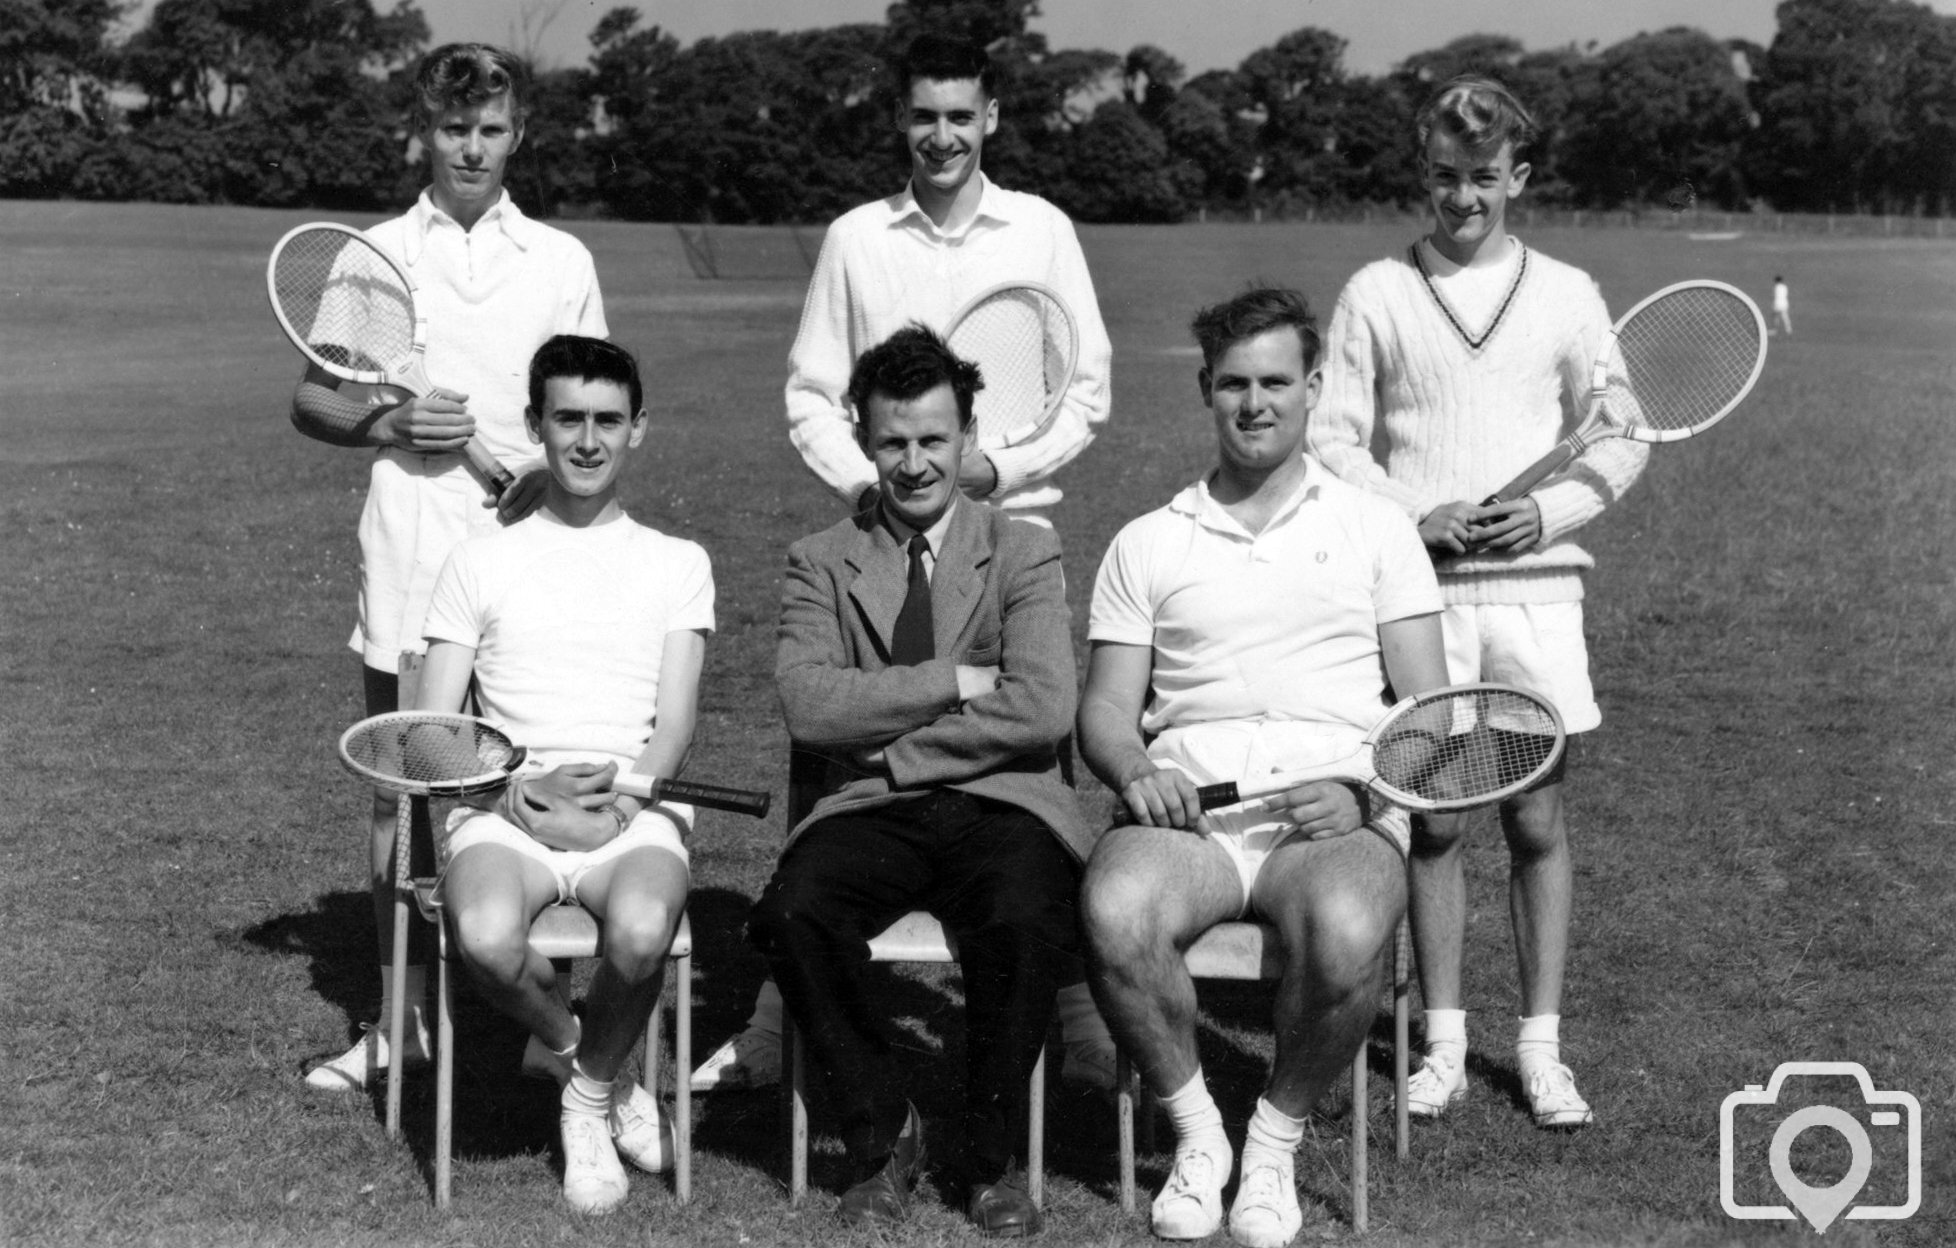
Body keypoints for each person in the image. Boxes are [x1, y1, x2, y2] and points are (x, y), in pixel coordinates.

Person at [696, 30, 1116, 1096]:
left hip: (1005, 528)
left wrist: (992, 474)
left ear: (991, 119)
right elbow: (809, 392)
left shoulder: (1045, 229)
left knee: (1025, 761)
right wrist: (872, 485)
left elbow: (1089, 388)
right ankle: (778, 1021)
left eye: (960, 115)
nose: (943, 134)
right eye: (925, 115)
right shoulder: (854, 237)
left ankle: (1074, 1011)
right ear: (903, 119)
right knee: (837, 749)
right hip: (878, 528)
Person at [1308, 75, 1648, 1131]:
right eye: (1448, 178)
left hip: (1538, 600)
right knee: (1437, 828)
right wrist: (1422, 513)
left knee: (1538, 819)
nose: (1465, 199)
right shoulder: (1376, 291)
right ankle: (1445, 1044)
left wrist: (1542, 516)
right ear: (1425, 175)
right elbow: (1330, 441)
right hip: (1423, 602)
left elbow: (1622, 434)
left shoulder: (1569, 294)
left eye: (1487, 179)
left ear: (1520, 178)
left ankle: (1541, 1051)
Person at [1079, 287, 1449, 1248]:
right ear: (1206, 389)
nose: (1255, 405)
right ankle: (1202, 1135)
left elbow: (1429, 713)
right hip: (1192, 819)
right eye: (1234, 384)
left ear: (1313, 388)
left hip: (1331, 813)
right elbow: (1108, 715)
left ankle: (1274, 1143)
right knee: (1116, 910)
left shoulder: (1377, 528)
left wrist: (1368, 788)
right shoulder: (1149, 538)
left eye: (1276, 382)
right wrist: (1131, 772)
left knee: (1350, 922)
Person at [293, 43, 608, 1092]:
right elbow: (316, 398)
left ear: (519, 135)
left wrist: (547, 479)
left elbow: (592, 405)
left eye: (491, 129)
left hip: (533, 556)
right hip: (412, 550)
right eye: (453, 128)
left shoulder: (560, 261)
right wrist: (390, 415)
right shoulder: (375, 255)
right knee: (402, 796)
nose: (471, 147)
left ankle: (550, 1013)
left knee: (542, 783)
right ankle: (400, 1024)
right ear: (421, 133)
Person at [746, 327, 1089, 1236]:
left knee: (1020, 915)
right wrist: (951, 680)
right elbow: (812, 709)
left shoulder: (1024, 550)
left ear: (967, 436)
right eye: (893, 441)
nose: (913, 463)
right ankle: (882, 1129)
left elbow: (1044, 709)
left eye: (933, 440)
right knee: (791, 913)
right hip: (868, 813)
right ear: (863, 440)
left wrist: (896, 748)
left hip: (1003, 802)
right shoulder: (819, 559)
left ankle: (990, 1154)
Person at [414, 335, 709, 1213]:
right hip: (501, 810)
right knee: (487, 936)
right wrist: (507, 792)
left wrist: (628, 795)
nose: (587, 441)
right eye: (568, 418)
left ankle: (584, 1099)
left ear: (639, 429)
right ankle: (593, 1057)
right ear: (536, 425)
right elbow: (435, 733)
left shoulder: (676, 560)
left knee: (645, 927)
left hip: (632, 807)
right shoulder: (477, 559)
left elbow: (677, 723)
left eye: (608, 421)